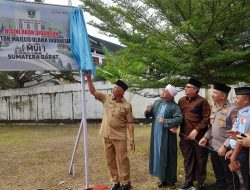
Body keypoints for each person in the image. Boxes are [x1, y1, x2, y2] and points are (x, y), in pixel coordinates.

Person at [85, 72, 135, 190]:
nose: (113, 88)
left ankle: (125, 182)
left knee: (122, 159)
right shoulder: (106, 98)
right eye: (114, 86)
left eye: (116, 87)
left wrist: (132, 138)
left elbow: (130, 123)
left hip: (119, 136)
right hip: (106, 134)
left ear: (121, 92)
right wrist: (88, 79)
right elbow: (93, 92)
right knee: (110, 159)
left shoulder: (127, 105)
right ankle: (115, 181)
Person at [198, 83, 240, 190]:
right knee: (219, 176)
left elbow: (236, 131)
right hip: (213, 147)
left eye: (215, 92)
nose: (212, 95)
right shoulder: (215, 108)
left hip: (227, 149)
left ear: (223, 96)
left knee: (231, 176)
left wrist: (225, 146)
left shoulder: (233, 110)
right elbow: (212, 127)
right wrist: (206, 137)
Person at [145, 84, 183, 188]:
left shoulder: (174, 106)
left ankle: (170, 180)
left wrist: (165, 120)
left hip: (167, 136)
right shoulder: (158, 102)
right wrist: (148, 111)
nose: (163, 91)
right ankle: (162, 179)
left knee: (168, 156)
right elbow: (150, 114)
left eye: (165, 91)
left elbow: (179, 119)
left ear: (170, 95)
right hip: (156, 134)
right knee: (158, 155)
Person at [178, 78, 211, 190]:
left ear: (195, 89)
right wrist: (174, 125)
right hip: (184, 136)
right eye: (185, 87)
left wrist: (197, 129)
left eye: (188, 87)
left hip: (199, 137)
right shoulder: (181, 100)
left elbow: (206, 119)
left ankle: (201, 182)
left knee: (201, 159)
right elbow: (178, 117)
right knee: (188, 159)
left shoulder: (203, 101)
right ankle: (189, 181)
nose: (185, 89)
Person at [222, 86, 250, 190]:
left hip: (244, 151)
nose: (234, 100)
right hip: (240, 149)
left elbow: (242, 138)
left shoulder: (247, 113)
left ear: (246, 100)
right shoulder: (242, 111)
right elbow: (239, 134)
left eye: (237, 98)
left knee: (247, 181)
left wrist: (234, 156)